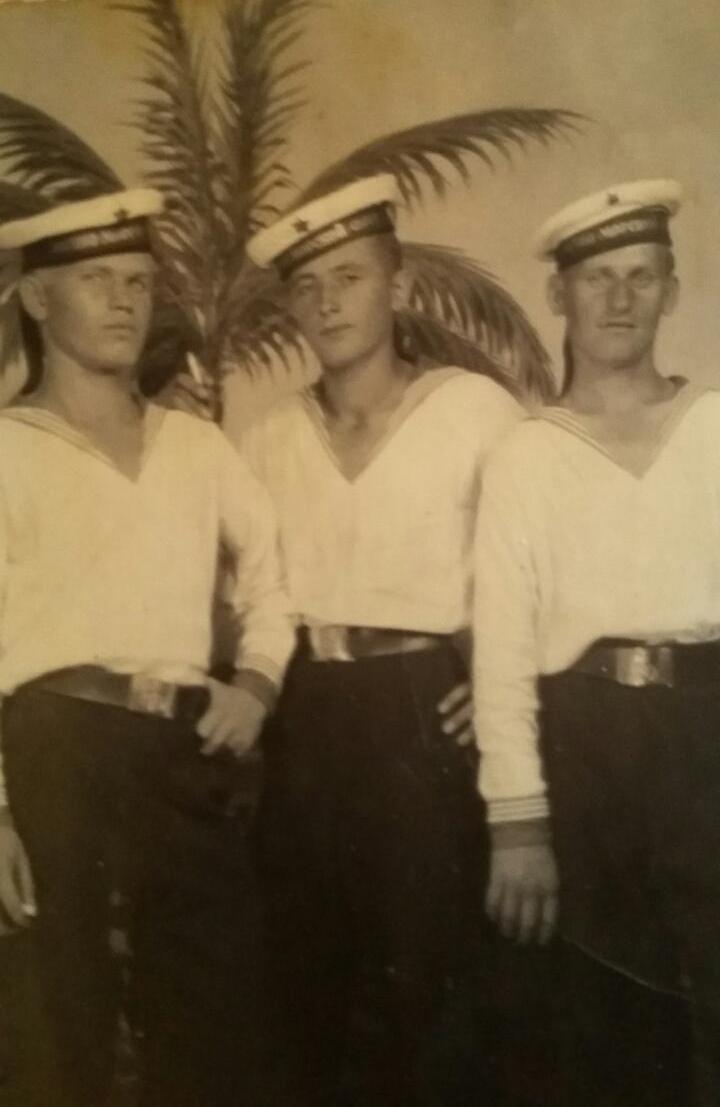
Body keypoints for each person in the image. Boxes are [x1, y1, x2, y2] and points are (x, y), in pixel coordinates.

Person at [0, 189, 295, 1107]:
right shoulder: (7, 448)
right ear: (37, 298)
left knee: (215, 1030)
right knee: (59, 1036)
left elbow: (271, 575)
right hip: (52, 751)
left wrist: (256, 681)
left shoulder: (196, 444)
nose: (125, 301)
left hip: (182, 750)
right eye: (97, 280)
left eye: (137, 281)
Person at [241, 174, 522, 1105]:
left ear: (397, 287)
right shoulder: (266, 437)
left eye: (350, 277)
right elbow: (249, 598)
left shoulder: (475, 409)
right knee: (303, 991)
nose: (327, 303)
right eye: (307, 287)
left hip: (422, 713)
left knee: (433, 996)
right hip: (307, 717)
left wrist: (497, 673)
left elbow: (533, 565)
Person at [473, 179, 716, 1105]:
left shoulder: (715, 427)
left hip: (709, 732)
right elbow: (501, 657)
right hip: (588, 749)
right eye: (597, 278)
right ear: (558, 295)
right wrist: (519, 823)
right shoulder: (525, 455)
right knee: (614, 1026)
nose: (620, 299)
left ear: (672, 292)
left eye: (641, 276)